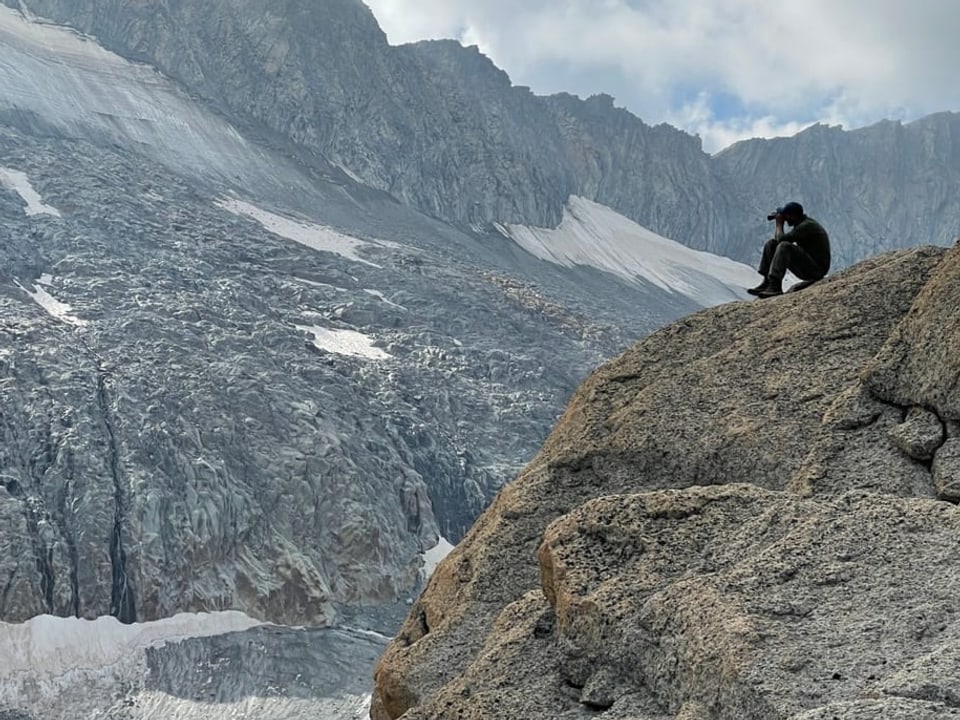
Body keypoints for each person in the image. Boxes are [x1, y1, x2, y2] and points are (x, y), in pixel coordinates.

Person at [748, 201, 831, 297]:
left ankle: (775, 286)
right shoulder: (801, 223)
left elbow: (781, 240)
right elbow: (777, 241)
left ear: (794, 216)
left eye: (786, 216)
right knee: (771, 244)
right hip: (809, 264)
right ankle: (767, 282)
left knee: (784, 246)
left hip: (817, 270)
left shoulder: (806, 226)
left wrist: (779, 224)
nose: (786, 219)